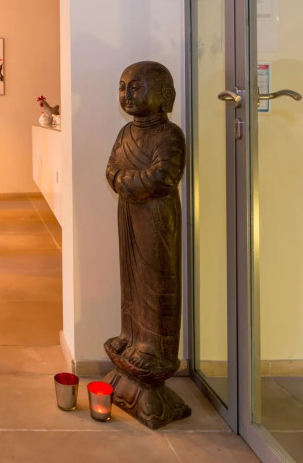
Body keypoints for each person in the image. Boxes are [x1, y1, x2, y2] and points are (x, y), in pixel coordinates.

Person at [103, 61, 190, 429]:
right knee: (131, 279)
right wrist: (125, 181)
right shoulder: (125, 132)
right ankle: (131, 337)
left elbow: (164, 176)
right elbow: (111, 169)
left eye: (136, 87)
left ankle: (154, 349)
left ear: (164, 95)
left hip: (156, 218)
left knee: (155, 280)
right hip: (129, 214)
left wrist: (126, 182)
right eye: (123, 87)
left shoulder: (170, 135)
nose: (127, 95)